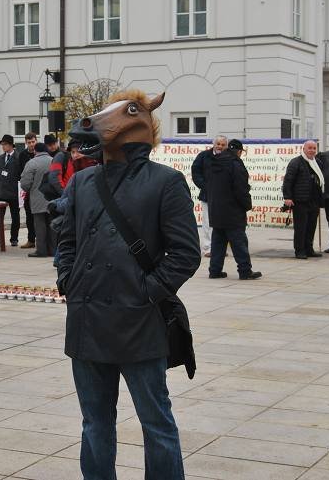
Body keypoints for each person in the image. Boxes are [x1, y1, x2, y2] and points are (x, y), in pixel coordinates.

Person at [57, 90, 200, 480]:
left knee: (157, 424)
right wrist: (67, 279)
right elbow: (66, 238)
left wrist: (145, 291)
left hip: (139, 323)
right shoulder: (83, 181)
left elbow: (186, 254)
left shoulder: (166, 182)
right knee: (95, 424)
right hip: (87, 322)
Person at [207, 139, 261, 279]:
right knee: (239, 242)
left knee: (218, 241)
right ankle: (244, 271)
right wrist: (247, 205)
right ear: (238, 151)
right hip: (232, 210)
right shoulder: (236, 164)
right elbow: (240, 188)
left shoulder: (215, 161)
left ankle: (214, 270)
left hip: (215, 208)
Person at [282, 140, 325, 259]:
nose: (312, 150)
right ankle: (299, 250)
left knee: (311, 226)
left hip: (314, 200)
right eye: (309, 148)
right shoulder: (296, 162)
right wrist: (287, 197)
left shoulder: (318, 163)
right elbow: (288, 181)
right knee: (301, 227)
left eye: (314, 148)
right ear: (304, 149)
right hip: (300, 200)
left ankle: (309, 248)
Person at [191, 135, 227, 258]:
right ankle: (207, 248)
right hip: (208, 195)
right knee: (207, 222)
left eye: (223, 145)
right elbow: (195, 171)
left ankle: (220, 248)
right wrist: (205, 185)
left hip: (225, 197)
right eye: (218, 144)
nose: (220, 147)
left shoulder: (228, 157)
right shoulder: (203, 156)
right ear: (214, 144)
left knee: (222, 223)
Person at [19, 143, 55, 257]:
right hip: (53, 198)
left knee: (40, 226)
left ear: (35, 151)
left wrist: (31, 189)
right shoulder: (53, 160)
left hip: (37, 199)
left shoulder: (32, 163)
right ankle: (53, 250)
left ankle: (41, 250)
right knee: (52, 224)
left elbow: (24, 183)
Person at [0, 134, 21, 247]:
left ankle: (14, 238)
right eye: (2, 144)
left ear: (10, 145)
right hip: (2, 192)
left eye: (4, 144)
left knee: (15, 217)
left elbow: (20, 175)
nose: (3, 146)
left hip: (14, 192)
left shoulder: (18, 158)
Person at [17, 132, 38, 249]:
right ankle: (31, 240)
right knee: (29, 216)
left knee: (40, 216)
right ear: (26, 143)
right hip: (28, 190)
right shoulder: (23, 155)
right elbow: (21, 172)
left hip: (39, 189)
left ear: (36, 141)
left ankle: (42, 239)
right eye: (29, 142)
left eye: (33, 142)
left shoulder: (40, 152)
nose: (31, 144)